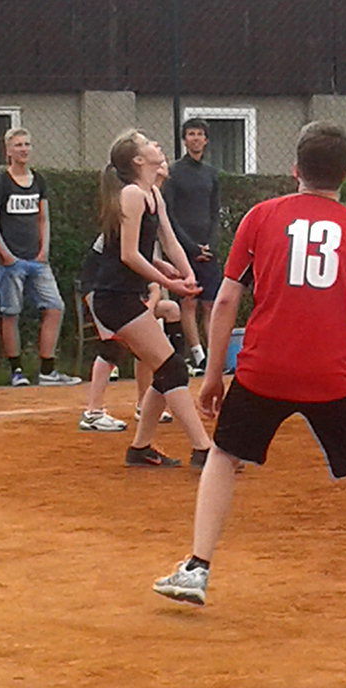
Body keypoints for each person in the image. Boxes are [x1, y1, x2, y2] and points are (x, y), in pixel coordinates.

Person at [153, 121, 346, 621]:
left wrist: (215, 374)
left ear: (295, 170)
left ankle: (196, 568)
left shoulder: (261, 217)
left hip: (264, 368)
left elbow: (226, 300)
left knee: (224, 456)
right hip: (333, 374)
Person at [89, 129, 211, 468]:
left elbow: (168, 241)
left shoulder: (153, 193)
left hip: (128, 295)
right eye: (147, 143)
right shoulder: (131, 194)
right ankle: (203, 448)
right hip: (114, 298)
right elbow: (128, 254)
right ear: (138, 160)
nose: (156, 145)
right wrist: (166, 280)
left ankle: (140, 448)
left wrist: (187, 274)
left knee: (166, 368)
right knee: (172, 366)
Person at [78, 164, 180, 431]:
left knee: (148, 342)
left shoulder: (151, 203)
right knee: (114, 346)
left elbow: (145, 258)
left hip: (127, 289)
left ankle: (143, 404)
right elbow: (126, 256)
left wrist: (161, 274)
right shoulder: (130, 207)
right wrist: (162, 282)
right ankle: (92, 412)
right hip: (101, 288)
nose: (162, 164)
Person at [0, 128, 80, 386]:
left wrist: (43, 250)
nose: (23, 149)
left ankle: (47, 370)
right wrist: (6, 255)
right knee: (11, 312)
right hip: (11, 262)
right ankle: (16, 371)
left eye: (27, 144)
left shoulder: (38, 181)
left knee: (54, 307)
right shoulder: (0, 184)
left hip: (37, 260)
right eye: (18, 145)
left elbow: (43, 218)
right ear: (8, 150)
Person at [163, 118, 221, 375]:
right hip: (184, 249)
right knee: (188, 302)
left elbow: (215, 213)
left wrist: (211, 244)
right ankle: (198, 356)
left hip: (209, 250)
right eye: (191, 134)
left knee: (210, 304)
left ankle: (215, 356)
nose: (196, 138)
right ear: (184, 140)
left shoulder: (211, 174)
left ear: (206, 140)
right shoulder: (174, 172)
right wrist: (191, 246)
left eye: (200, 134)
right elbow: (170, 215)